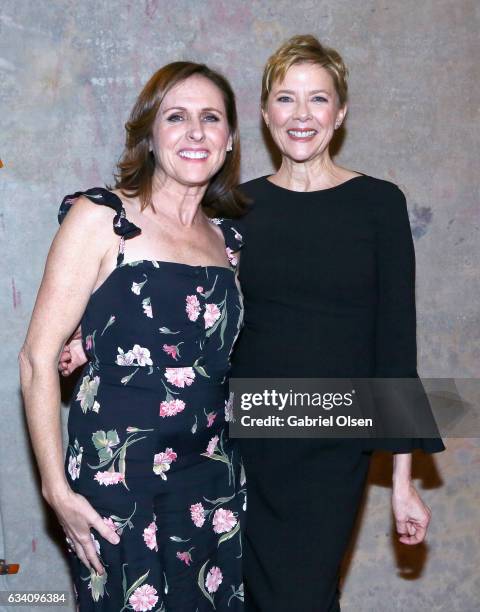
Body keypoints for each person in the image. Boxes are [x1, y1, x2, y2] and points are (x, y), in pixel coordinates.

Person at [19, 61, 248, 611]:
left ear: (230, 138)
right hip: (118, 478)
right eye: (176, 117)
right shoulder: (102, 218)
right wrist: (56, 491)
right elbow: (36, 361)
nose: (195, 132)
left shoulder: (230, 242)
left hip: (212, 480)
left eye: (210, 118)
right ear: (150, 135)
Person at [230, 35, 445, 611]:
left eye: (318, 100)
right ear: (264, 111)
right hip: (240, 443)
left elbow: (396, 342)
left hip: (331, 438)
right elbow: (188, 310)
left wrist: (403, 484)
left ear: (341, 112)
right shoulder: (230, 208)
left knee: (301, 595)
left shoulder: (378, 204)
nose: (301, 116)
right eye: (285, 99)